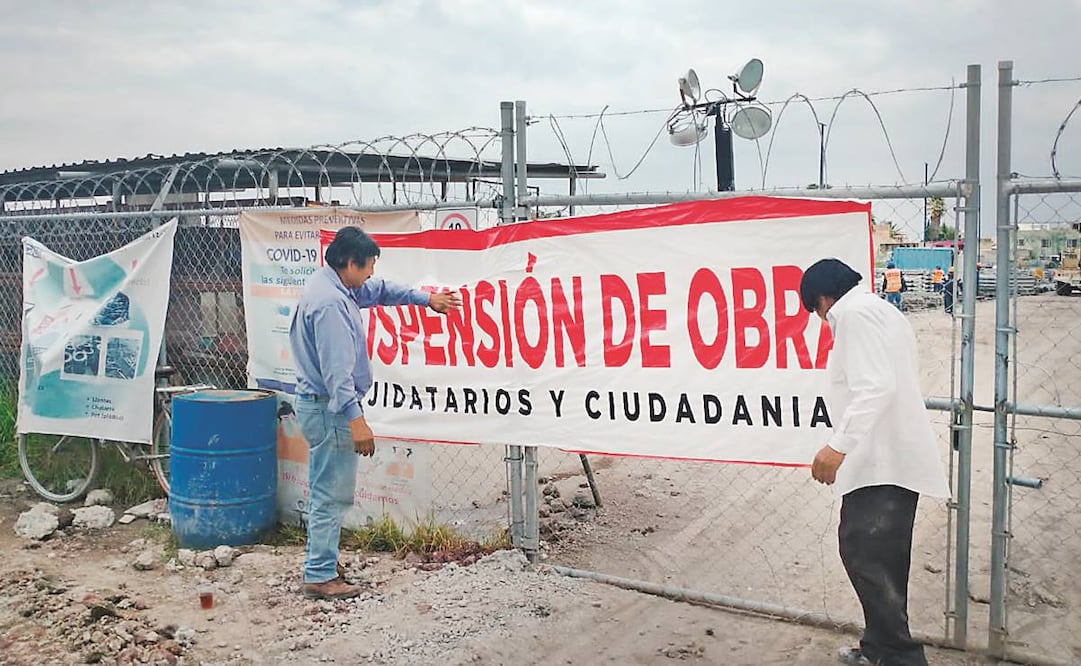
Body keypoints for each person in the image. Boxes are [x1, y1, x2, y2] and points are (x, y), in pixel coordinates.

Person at [289, 226, 461, 600]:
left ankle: (322, 564)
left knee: (328, 490)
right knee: (331, 494)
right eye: (367, 266)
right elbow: (337, 373)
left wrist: (424, 299)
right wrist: (357, 420)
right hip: (329, 409)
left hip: (320, 406)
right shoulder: (331, 305)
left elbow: (379, 290)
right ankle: (319, 574)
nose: (370, 274)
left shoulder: (332, 283)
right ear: (349, 263)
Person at [800, 259, 950, 666]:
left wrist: (837, 446)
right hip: (888, 458)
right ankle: (882, 648)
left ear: (823, 299)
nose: (822, 320)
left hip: (881, 462)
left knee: (864, 554)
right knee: (881, 558)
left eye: (817, 312)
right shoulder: (881, 309)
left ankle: (898, 656)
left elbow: (875, 386)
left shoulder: (852, 315)